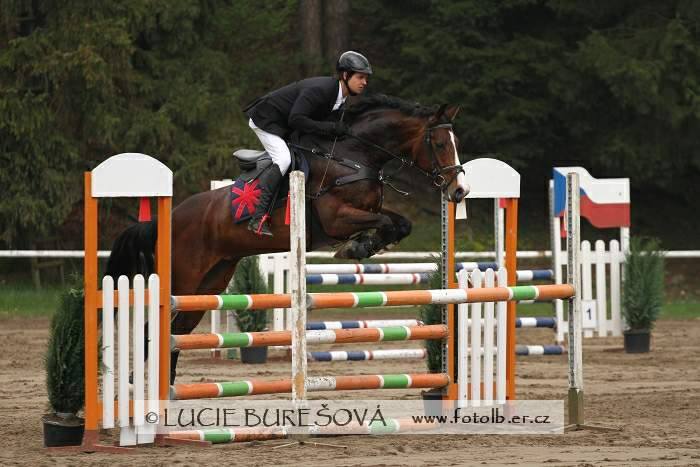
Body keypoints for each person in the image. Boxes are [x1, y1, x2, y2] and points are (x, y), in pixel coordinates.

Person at [243, 51, 372, 236]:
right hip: (267, 119)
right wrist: (330, 127)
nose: (365, 82)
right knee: (284, 160)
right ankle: (258, 217)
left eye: (366, 78)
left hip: (286, 124)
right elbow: (296, 119)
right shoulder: (321, 90)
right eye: (360, 77)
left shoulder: (340, 98)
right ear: (345, 75)